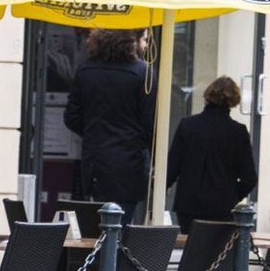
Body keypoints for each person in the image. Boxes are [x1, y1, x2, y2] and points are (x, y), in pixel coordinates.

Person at [64, 28, 155, 226]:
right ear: (132, 41)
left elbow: (71, 117)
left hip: (94, 161)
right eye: (144, 39)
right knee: (120, 230)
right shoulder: (143, 73)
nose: (146, 45)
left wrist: (93, 132)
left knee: (94, 229)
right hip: (130, 164)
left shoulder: (86, 70)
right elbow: (151, 125)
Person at [167, 76, 257, 233]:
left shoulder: (187, 126)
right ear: (233, 101)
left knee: (191, 251)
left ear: (208, 96)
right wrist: (232, 195)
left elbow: (172, 167)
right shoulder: (238, 132)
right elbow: (249, 178)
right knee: (218, 253)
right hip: (222, 205)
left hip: (189, 203)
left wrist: (159, 193)